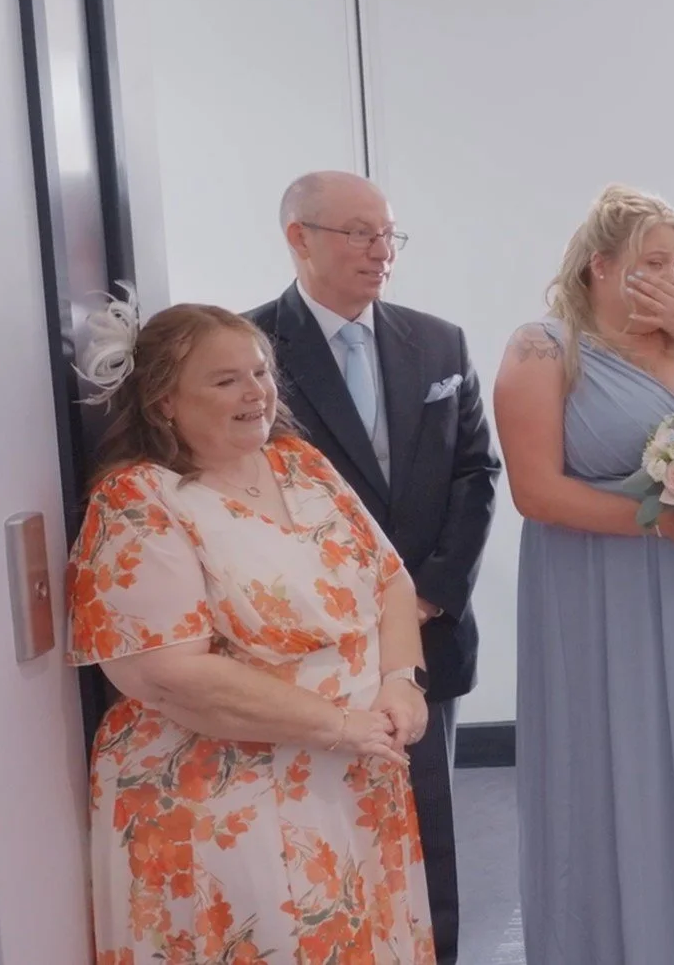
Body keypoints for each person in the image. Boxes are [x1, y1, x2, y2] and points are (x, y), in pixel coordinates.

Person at [68, 303, 434, 963]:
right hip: (225, 801)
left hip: (351, 778)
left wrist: (400, 682)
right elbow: (169, 675)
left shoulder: (301, 464)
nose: (254, 392)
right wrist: (340, 725)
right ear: (163, 401)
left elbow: (391, 580)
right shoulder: (137, 501)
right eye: (225, 379)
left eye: (261, 372)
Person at [494, 185, 674, 963]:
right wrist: (651, 521)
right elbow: (535, 490)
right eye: (652, 263)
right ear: (601, 266)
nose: (670, 277)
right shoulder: (541, 347)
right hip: (597, 591)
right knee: (607, 767)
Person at [246, 170, 497, 962]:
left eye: (388, 233)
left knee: (429, 822)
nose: (380, 250)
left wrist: (427, 596)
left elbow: (474, 474)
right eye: (359, 232)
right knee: (325, 831)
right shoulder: (249, 350)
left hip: (423, 629)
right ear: (299, 238)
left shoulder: (438, 342)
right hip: (309, 642)